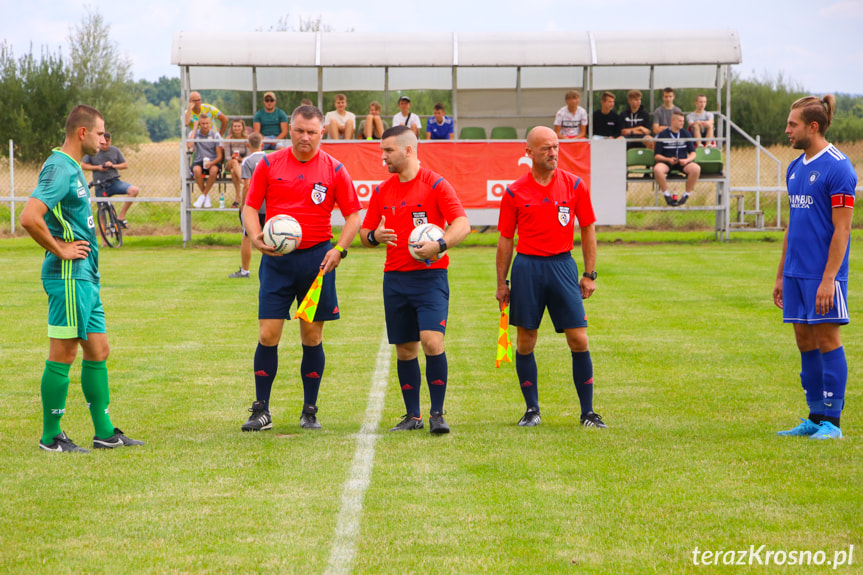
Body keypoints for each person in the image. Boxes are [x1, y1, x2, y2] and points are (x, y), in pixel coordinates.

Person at [19, 104, 144, 453]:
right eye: (102, 132)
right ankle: (50, 436)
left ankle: (104, 432)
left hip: (87, 276)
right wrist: (60, 249)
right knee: (63, 354)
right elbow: (30, 216)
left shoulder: (73, 167)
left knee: (99, 349)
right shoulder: (59, 167)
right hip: (69, 276)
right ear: (83, 132)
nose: (105, 139)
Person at [240, 105, 362, 432]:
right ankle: (261, 410)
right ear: (289, 129)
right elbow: (250, 207)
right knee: (268, 334)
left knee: (311, 335)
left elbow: (353, 215)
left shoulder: (335, 169)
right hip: (277, 262)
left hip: (317, 262)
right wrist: (255, 236)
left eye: (311, 131)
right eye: (298, 130)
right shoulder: (268, 163)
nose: (304, 137)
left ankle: (310, 410)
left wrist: (340, 249)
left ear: (322, 132)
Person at [360, 126, 470, 433]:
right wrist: (374, 235)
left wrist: (440, 245)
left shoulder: (435, 184)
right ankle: (413, 416)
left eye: (388, 151)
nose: (383, 158)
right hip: (395, 278)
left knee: (432, 341)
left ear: (409, 150)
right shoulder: (382, 191)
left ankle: (437, 414)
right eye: (382, 151)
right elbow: (364, 236)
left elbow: (462, 223)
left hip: (430, 276)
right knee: (405, 350)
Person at [495, 126, 607, 429]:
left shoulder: (574, 185)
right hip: (528, 268)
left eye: (556, 147)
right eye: (546, 148)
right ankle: (532, 410)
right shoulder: (514, 191)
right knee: (525, 342)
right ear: (529, 152)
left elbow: (587, 228)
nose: (554, 153)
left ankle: (588, 413)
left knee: (579, 339)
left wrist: (589, 274)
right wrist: (501, 282)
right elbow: (506, 239)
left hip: (562, 266)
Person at [774, 95, 857, 441]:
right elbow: (793, 225)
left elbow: (843, 229)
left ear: (813, 126)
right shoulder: (795, 167)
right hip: (796, 272)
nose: (787, 130)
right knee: (803, 340)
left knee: (827, 338)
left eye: (792, 124)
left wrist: (828, 279)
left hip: (823, 275)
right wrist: (781, 273)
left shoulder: (839, 167)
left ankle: (833, 424)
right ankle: (814, 416)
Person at [81, 132, 140, 226]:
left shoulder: (115, 151)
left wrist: (112, 165)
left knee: (134, 190)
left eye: (107, 143)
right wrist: (98, 167)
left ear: (110, 141)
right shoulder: (93, 151)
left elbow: (125, 165)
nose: (104, 145)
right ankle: (105, 239)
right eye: (102, 143)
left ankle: (121, 217)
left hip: (114, 182)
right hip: (100, 185)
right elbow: (83, 165)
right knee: (102, 212)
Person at [229, 132, 267, 279]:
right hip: (269, 205)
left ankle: (245, 271)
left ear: (247, 145)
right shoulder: (270, 159)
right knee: (272, 236)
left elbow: (247, 185)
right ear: (262, 145)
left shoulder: (247, 161)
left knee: (247, 236)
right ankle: (276, 270)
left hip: (254, 206)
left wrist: (244, 205)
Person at [653, 111, 700, 206]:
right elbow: (657, 155)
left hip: (682, 161)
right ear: (672, 121)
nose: (682, 123)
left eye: (683, 121)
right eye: (679, 121)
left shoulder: (685, 133)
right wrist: (668, 159)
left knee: (696, 168)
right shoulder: (663, 134)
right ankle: (667, 195)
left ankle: (686, 194)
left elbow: (693, 153)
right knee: (657, 169)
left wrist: (686, 160)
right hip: (667, 161)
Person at [186, 114, 224, 208]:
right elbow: (189, 145)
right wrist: (195, 128)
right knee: (196, 170)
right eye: (202, 123)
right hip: (200, 160)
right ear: (199, 123)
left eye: (207, 123)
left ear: (210, 123)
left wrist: (211, 163)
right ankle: (206, 197)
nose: (205, 126)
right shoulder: (195, 133)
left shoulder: (215, 135)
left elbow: (219, 156)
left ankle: (203, 196)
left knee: (214, 170)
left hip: (213, 161)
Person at [223, 119, 250, 208]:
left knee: (233, 172)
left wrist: (241, 159)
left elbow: (248, 155)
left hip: (242, 163)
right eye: (235, 126)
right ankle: (244, 181)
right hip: (230, 162)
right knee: (233, 163)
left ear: (242, 127)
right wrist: (234, 158)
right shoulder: (228, 139)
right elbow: (227, 156)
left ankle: (237, 199)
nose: (237, 128)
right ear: (232, 128)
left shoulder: (247, 139)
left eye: (239, 126)